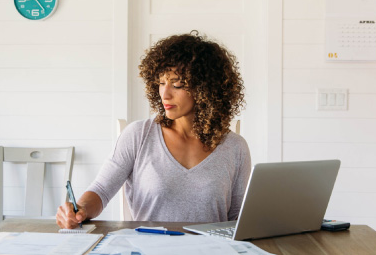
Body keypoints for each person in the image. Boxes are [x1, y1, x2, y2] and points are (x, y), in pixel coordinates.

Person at [56, 31, 250, 229]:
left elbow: (237, 219)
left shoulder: (235, 147)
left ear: (206, 89)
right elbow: (101, 190)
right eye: (161, 83)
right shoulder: (138, 135)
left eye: (177, 84)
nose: (165, 94)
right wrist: (80, 209)